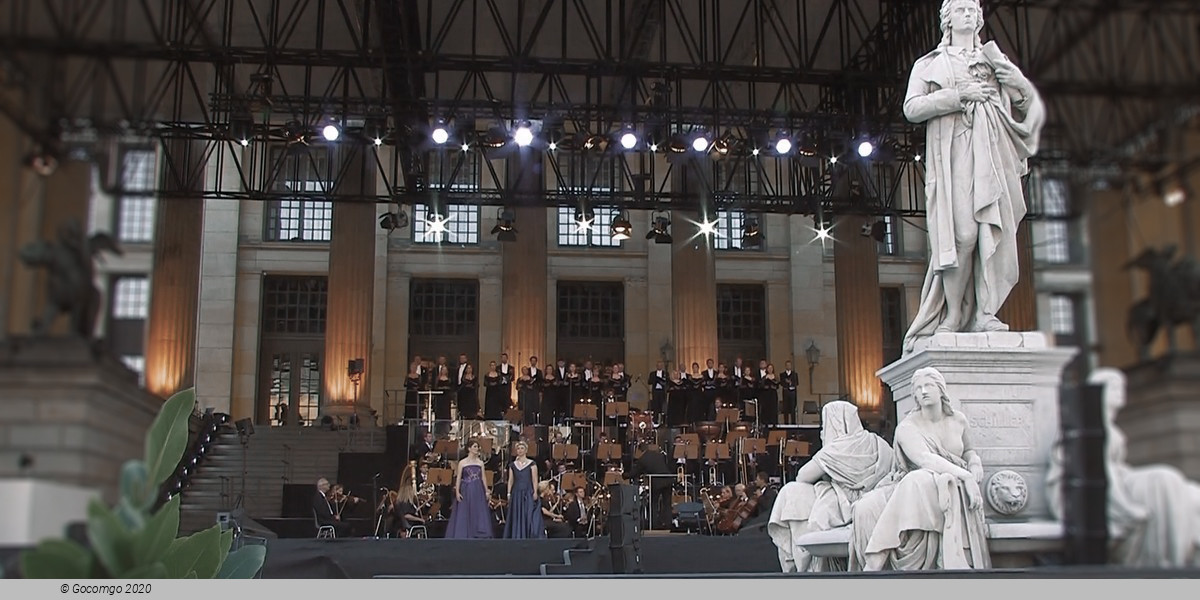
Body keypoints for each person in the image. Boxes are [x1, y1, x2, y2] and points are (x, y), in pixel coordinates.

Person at [901, 0, 1045, 352]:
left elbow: (1028, 103)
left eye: (972, 10)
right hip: (954, 154)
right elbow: (912, 107)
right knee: (962, 235)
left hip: (992, 152)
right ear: (947, 19)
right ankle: (952, 314)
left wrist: (1017, 83)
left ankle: (985, 313)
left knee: (989, 232)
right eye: (961, 10)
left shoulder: (994, 60)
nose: (968, 14)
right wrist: (957, 95)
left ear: (979, 19)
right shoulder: (930, 63)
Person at [1046, 368, 1200, 567]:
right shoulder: (1086, 424)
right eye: (1114, 388)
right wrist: (1126, 508)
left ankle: (1182, 555)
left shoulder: (1110, 427)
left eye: (1121, 387)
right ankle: (1164, 560)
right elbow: (1093, 468)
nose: (1120, 392)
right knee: (1165, 479)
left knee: (1192, 493)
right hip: (1110, 490)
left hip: (1120, 479)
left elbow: (1115, 466)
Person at [848, 367, 989, 571]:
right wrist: (966, 476)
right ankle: (877, 555)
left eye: (928, 386)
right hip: (919, 481)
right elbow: (924, 459)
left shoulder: (959, 420)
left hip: (952, 483)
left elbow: (969, 450)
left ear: (941, 389)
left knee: (919, 481)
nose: (923, 391)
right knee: (910, 483)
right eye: (918, 388)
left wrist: (974, 463)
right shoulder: (907, 427)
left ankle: (879, 556)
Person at [768, 401, 894, 572]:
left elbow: (803, 476)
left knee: (791, 493)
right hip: (877, 504)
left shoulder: (836, 448)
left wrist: (825, 451)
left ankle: (800, 567)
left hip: (845, 506)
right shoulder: (879, 443)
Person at [445, 439, 495, 539]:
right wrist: (457, 492)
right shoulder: (462, 463)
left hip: (478, 489)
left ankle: (477, 532)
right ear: (469, 448)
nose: (477, 449)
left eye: (477, 447)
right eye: (475, 446)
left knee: (478, 510)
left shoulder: (480, 463)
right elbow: (459, 478)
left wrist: (486, 491)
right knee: (465, 511)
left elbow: (483, 477)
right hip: (466, 489)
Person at [503, 441, 545, 539]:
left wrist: (535, 492)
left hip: (528, 492)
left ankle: (528, 536)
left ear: (526, 450)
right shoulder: (512, 465)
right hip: (516, 493)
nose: (520, 450)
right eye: (518, 448)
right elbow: (510, 480)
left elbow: (534, 479)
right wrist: (509, 493)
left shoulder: (532, 464)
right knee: (517, 515)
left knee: (528, 514)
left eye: (522, 448)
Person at [632, 443, 673, 530]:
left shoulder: (643, 459)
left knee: (653, 503)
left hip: (657, 481)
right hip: (668, 479)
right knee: (667, 503)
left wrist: (625, 475)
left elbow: (635, 473)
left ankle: (654, 524)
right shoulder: (658, 455)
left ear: (640, 450)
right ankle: (668, 524)